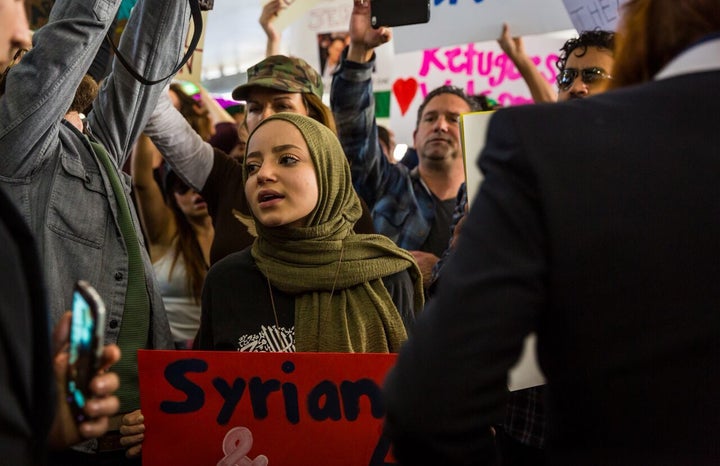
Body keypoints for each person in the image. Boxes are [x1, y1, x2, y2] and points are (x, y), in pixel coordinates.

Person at [383, 0, 720, 464]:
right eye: (568, 77)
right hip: (523, 423)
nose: (577, 87)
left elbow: (428, 400)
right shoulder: (506, 169)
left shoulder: (533, 151)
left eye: (594, 76)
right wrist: (459, 255)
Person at [0, 0, 190, 462]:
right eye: (23, 53)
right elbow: (72, 32)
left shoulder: (95, 143)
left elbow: (145, 65)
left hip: (139, 427)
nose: (33, 51)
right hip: (69, 441)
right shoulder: (16, 147)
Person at [195, 112, 423, 352]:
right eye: (252, 166)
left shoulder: (387, 275)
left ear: (329, 171)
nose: (262, 175)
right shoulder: (226, 281)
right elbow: (206, 383)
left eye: (287, 159)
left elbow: (409, 384)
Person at [143, 54, 375, 266]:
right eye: (254, 108)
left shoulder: (345, 204)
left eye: (282, 105)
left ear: (312, 116)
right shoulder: (226, 178)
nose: (265, 117)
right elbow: (155, 110)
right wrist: (165, 54)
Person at [331, 0, 478, 288]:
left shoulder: (486, 200)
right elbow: (354, 130)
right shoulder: (387, 184)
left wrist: (440, 269)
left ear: (472, 133)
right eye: (431, 118)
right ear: (415, 136)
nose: (440, 125)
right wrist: (359, 51)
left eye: (453, 118)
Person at [131, 135, 213, 349]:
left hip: (217, 352)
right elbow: (142, 182)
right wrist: (147, 119)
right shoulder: (167, 233)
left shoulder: (231, 231)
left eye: (197, 182)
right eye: (182, 187)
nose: (193, 191)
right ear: (172, 196)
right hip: (167, 351)